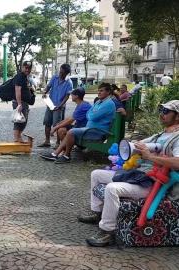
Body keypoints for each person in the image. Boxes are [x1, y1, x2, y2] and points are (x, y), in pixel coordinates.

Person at [78, 100, 179, 247]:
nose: (161, 114)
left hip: (154, 183)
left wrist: (149, 156)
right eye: (161, 110)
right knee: (96, 174)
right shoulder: (161, 134)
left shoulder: (177, 138)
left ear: (177, 116)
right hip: (139, 174)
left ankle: (108, 231)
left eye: (166, 111)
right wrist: (134, 144)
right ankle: (97, 212)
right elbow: (136, 146)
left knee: (112, 189)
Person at [41, 83, 116, 164]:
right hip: (89, 129)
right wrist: (92, 114)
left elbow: (91, 116)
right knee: (64, 130)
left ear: (108, 92)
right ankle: (56, 154)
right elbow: (89, 114)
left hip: (98, 132)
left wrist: (92, 114)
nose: (99, 93)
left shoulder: (108, 104)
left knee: (70, 132)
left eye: (101, 91)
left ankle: (65, 155)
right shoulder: (99, 102)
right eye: (98, 91)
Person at [39, 64, 73, 147]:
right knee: (47, 122)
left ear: (66, 73)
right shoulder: (54, 77)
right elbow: (48, 86)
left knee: (57, 125)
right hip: (50, 104)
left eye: (62, 73)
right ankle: (47, 141)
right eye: (60, 71)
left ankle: (58, 143)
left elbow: (67, 96)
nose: (60, 74)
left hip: (59, 107)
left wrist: (60, 105)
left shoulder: (69, 83)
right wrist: (44, 92)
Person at [12, 61, 33, 142]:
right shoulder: (19, 76)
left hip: (24, 102)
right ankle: (17, 139)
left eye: (29, 68)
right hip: (19, 102)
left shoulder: (25, 77)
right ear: (22, 67)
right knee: (18, 121)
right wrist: (19, 104)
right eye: (26, 68)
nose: (27, 70)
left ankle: (18, 137)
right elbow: (17, 91)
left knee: (23, 121)